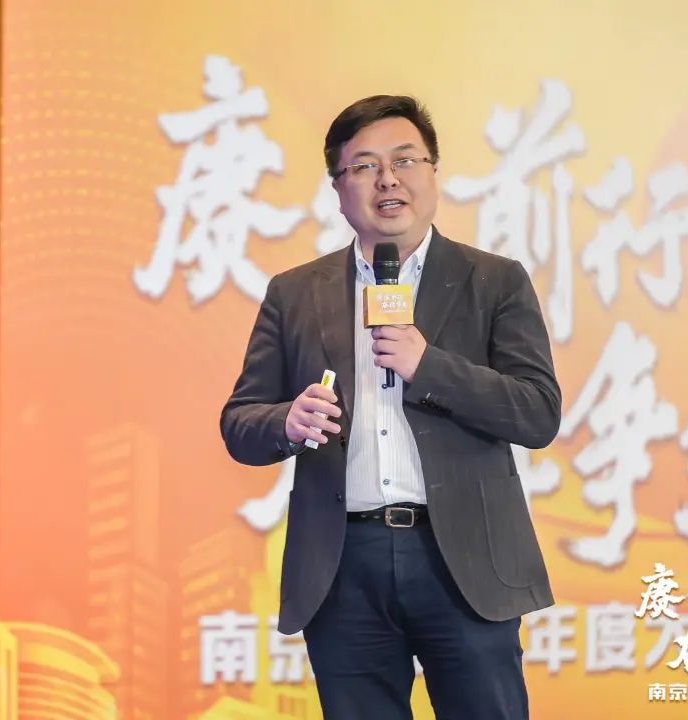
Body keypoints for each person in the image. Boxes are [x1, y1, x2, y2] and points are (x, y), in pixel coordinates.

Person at [221, 95, 561, 719]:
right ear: (338, 188)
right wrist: (286, 422)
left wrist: (428, 367)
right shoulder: (295, 293)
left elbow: (537, 412)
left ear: (433, 173)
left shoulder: (494, 280)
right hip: (343, 564)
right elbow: (240, 422)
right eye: (365, 166)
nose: (388, 180)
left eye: (405, 160)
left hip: (462, 560)